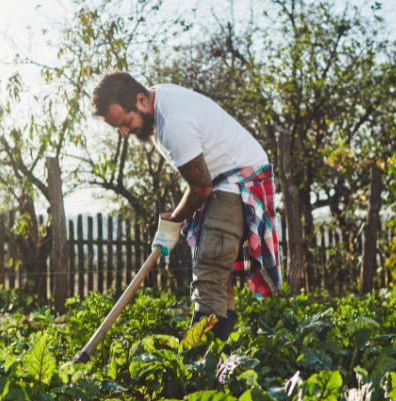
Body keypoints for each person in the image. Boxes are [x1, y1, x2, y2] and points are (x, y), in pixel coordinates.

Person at [91, 70, 282, 342]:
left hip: (237, 179)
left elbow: (201, 188)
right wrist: (174, 218)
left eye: (126, 121)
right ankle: (216, 362)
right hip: (224, 179)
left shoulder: (173, 124)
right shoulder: (159, 101)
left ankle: (200, 364)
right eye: (118, 127)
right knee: (219, 279)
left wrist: (174, 220)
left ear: (141, 100)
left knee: (209, 272)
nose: (124, 132)